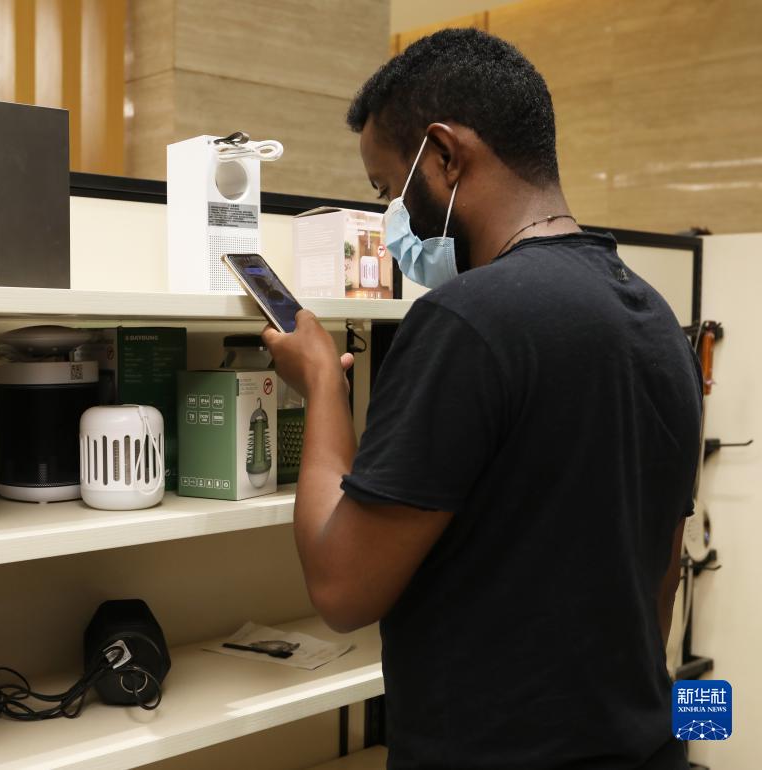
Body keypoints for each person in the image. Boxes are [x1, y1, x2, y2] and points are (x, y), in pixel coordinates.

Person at [262, 28, 702, 770]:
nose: (392, 220)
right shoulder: (656, 317)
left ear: (443, 154)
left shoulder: (467, 321)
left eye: (386, 190)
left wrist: (324, 388)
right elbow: (663, 568)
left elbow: (340, 591)